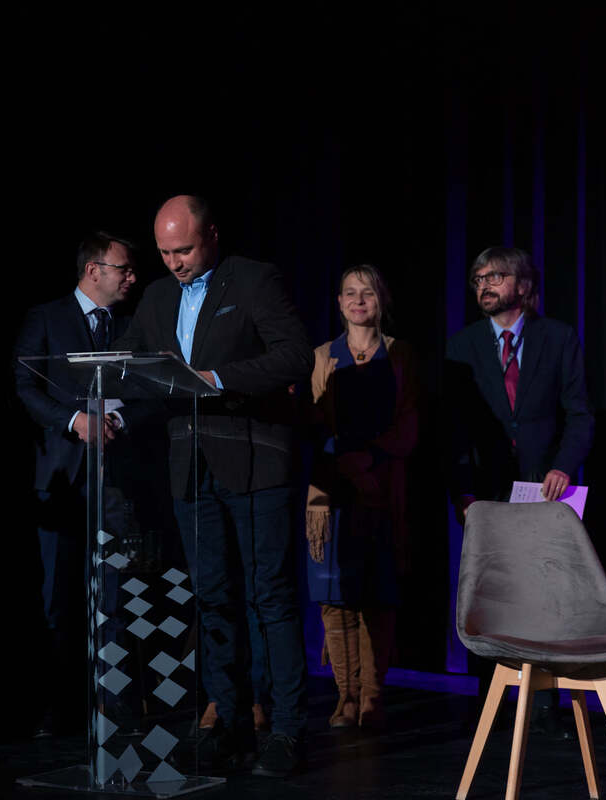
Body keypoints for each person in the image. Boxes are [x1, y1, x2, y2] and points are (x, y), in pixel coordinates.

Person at [113, 195, 313, 777]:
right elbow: (139, 371)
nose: (174, 263)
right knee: (212, 597)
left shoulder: (253, 280)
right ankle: (229, 721)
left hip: (255, 463)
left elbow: (295, 357)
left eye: (184, 250)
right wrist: (115, 407)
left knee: (269, 597)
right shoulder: (156, 297)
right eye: (164, 253)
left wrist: (217, 378)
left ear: (212, 236)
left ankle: (287, 728)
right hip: (190, 467)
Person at [445, 245, 594, 737]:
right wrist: (463, 491)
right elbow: (454, 430)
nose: (484, 285)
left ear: (524, 286)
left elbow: (579, 413)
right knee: (488, 593)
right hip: (485, 491)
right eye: (478, 278)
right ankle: (488, 700)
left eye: (496, 276)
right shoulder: (462, 346)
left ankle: (546, 704)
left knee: (545, 595)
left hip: (543, 489)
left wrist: (563, 466)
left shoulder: (558, 338)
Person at [12, 231, 138, 737]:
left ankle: (113, 706)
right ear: (93, 270)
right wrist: (75, 422)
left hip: (117, 481)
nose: (132, 278)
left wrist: (118, 420)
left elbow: (148, 388)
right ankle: (60, 706)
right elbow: (25, 385)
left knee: (115, 595)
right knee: (58, 597)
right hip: (62, 479)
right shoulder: (46, 317)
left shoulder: (131, 325)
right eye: (123, 269)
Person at [305, 265, 416, 731]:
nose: (357, 300)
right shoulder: (322, 356)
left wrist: (369, 459)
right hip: (331, 492)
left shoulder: (400, 354)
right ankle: (345, 696)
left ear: (381, 300)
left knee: (377, 596)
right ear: (338, 302)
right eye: (349, 293)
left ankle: (371, 696)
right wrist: (345, 464)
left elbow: (409, 423)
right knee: (335, 597)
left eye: (366, 292)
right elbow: (312, 423)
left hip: (381, 486)